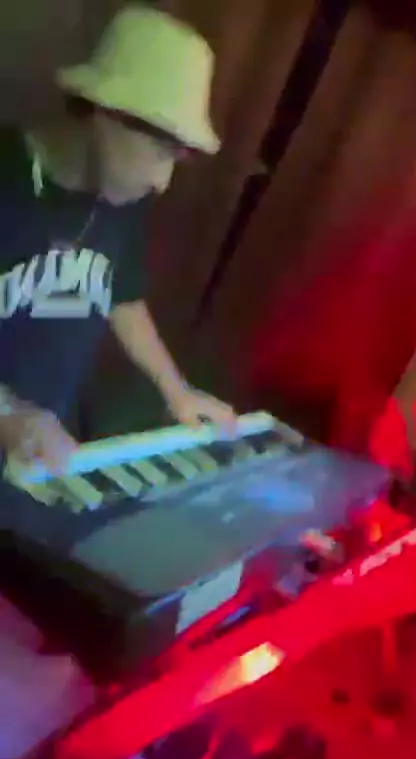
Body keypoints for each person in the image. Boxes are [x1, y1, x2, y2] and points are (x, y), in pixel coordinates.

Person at [0, 3, 237, 474]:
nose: (162, 182)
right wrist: (6, 413)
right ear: (107, 113)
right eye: (161, 150)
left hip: (39, 455)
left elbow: (121, 296)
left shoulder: (122, 194)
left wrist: (176, 391)